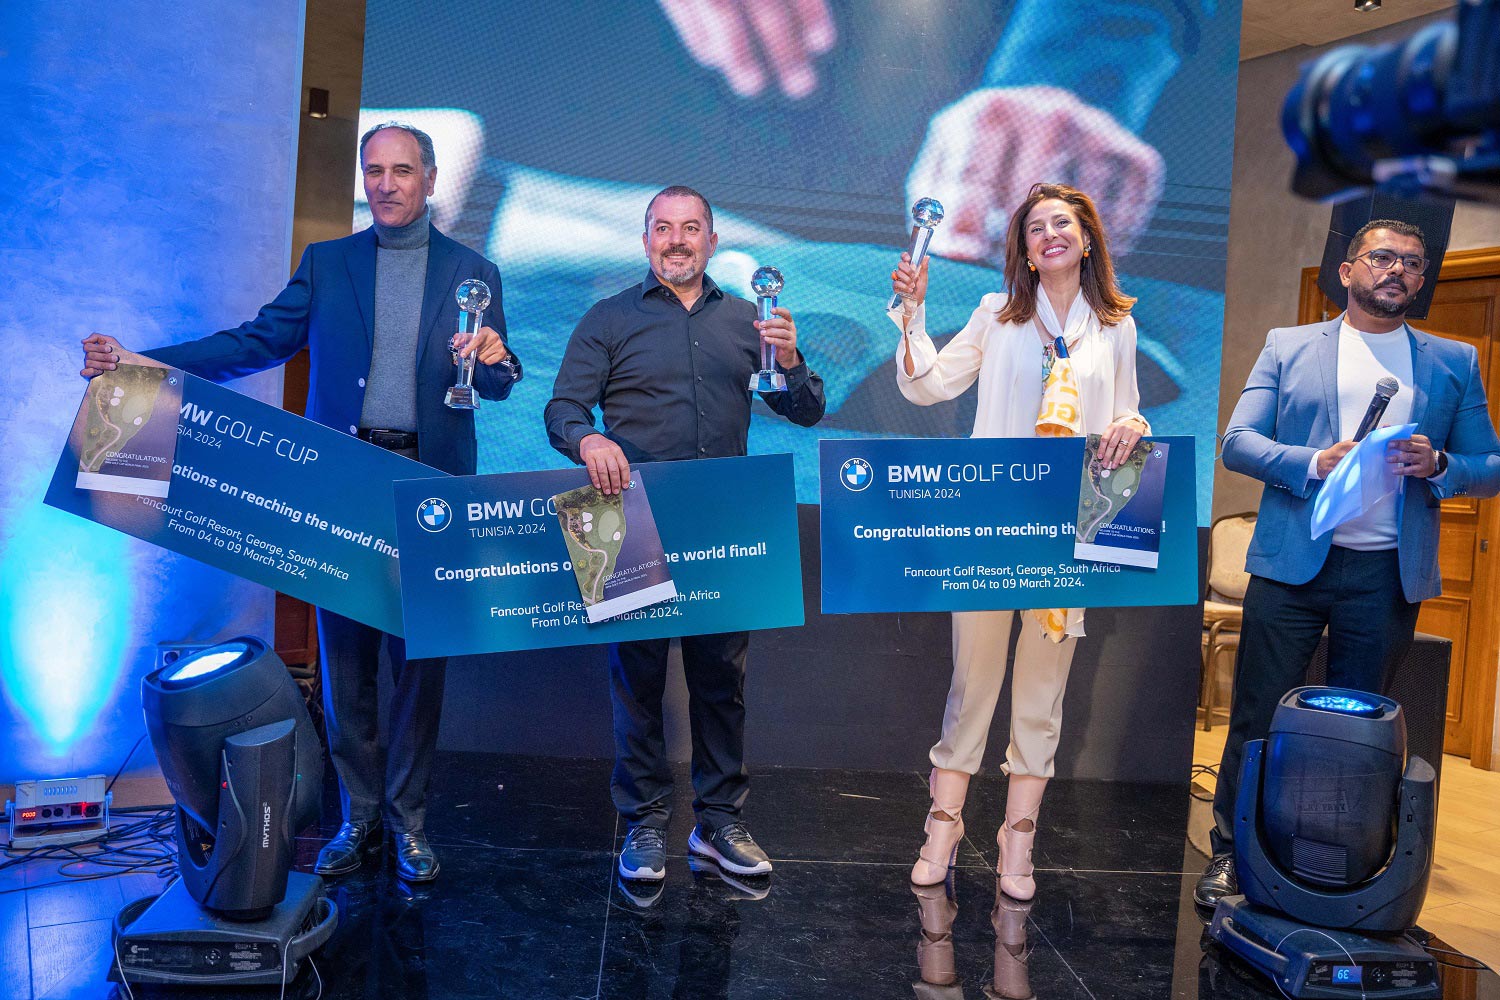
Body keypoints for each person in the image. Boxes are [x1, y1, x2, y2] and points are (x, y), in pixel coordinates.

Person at [79, 123, 522, 883]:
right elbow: (254, 343)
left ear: (429, 178)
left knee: (421, 667)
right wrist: (143, 363)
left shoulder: (473, 272)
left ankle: (410, 825)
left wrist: (495, 357)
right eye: (374, 170)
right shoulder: (328, 262)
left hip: (432, 492)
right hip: (341, 482)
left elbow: (497, 382)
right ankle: (360, 818)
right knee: (345, 664)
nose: (386, 184)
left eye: (402, 171)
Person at [1194, 219, 1500, 910]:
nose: (1397, 270)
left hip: (1385, 575)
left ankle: (1338, 864)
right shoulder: (1289, 345)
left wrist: (1441, 463)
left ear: (1421, 279)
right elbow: (1238, 442)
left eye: (1412, 263)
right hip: (1292, 567)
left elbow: (1490, 465)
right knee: (1258, 718)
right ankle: (1232, 855)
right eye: (1383, 257)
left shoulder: (1453, 361)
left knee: (1359, 730)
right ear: (1348, 269)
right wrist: (1312, 461)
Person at [544, 185, 825, 884]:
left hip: (723, 522)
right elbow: (562, 408)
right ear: (647, 241)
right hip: (628, 517)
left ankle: (719, 822)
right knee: (636, 680)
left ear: (712, 241)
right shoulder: (609, 318)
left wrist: (791, 361)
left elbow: (807, 410)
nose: (677, 240)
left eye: (691, 228)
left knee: (721, 680)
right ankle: (643, 823)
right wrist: (587, 441)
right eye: (664, 228)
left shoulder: (750, 321)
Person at [889, 183, 1149, 897]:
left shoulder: (1117, 326)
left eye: (1063, 223)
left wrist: (1135, 425)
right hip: (991, 526)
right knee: (972, 684)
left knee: (1042, 694)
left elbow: (1127, 411)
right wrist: (912, 313)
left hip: (1070, 529)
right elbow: (927, 386)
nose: (1050, 234)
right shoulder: (996, 314)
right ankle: (943, 828)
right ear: (1026, 250)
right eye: (1036, 227)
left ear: (1087, 240)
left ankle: (1018, 840)